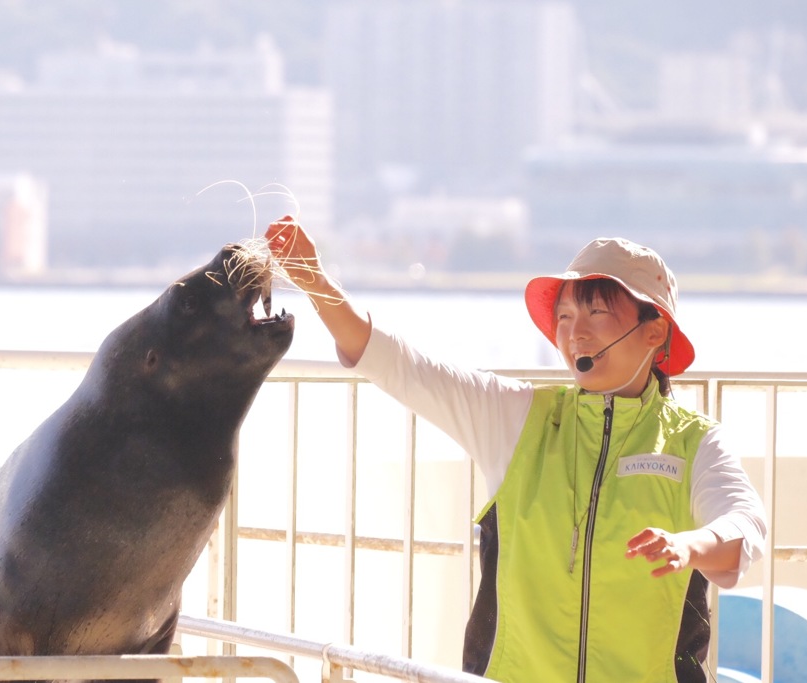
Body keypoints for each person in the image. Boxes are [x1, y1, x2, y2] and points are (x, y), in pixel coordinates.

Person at [264, 216, 767, 683]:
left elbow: (743, 527)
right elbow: (398, 363)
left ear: (654, 330)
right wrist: (314, 280)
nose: (576, 332)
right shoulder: (518, 416)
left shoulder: (695, 439)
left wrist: (688, 546)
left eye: (597, 311)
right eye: (565, 315)